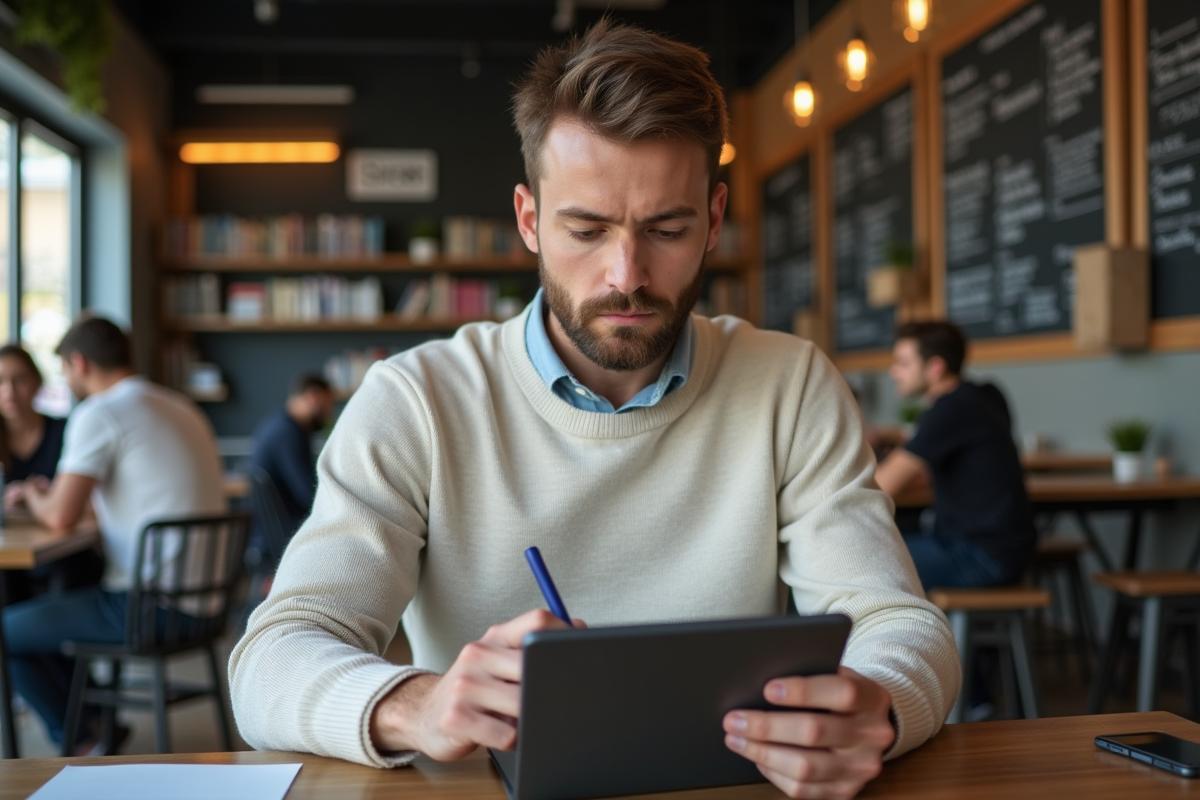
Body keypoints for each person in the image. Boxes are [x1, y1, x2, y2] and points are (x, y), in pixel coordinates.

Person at [231, 21, 958, 800]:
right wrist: (415, 705)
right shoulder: (417, 399)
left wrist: (876, 707)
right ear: (530, 219)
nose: (627, 274)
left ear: (714, 220)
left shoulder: (789, 383)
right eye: (586, 229)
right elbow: (272, 656)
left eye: (667, 229)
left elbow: (902, 625)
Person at [3, 316, 226, 754]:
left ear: (79, 363)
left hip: (148, 607)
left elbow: (62, 517)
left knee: (7, 631)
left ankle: (82, 737)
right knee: (41, 615)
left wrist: (32, 497)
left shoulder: (99, 413)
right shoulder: (180, 406)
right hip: (209, 605)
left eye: (65, 371)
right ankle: (93, 725)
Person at [874, 321, 1036, 590]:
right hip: (1007, 549)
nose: (893, 371)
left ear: (935, 367)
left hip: (980, 556)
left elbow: (881, 486)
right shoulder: (985, 394)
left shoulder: (950, 409)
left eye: (903, 363)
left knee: (855, 562)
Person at [0, 345, 104, 602]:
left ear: (37, 382)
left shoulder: (69, 431)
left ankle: (39, 634)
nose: (9, 391)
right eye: (0, 381)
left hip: (64, 548)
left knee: (70, 566)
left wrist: (39, 496)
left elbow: (91, 505)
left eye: (20, 380)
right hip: (13, 548)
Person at [247, 372, 335, 555]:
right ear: (314, 396)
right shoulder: (289, 434)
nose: (329, 414)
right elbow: (309, 495)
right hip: (283, 537)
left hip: (266, 534)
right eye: (329, 405)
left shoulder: (278, 424)